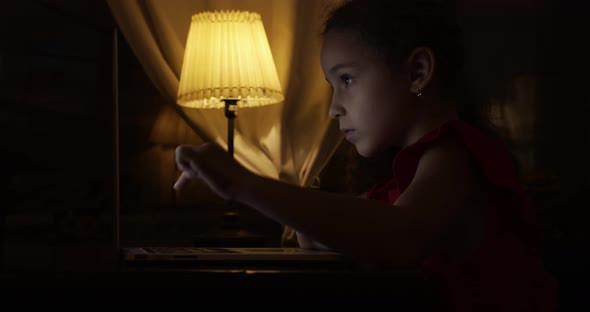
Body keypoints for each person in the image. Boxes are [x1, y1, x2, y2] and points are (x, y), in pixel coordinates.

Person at [173, 0, 556, 310]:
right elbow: (326, 234)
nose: (333, 109)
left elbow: (398, 236)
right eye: (332, 85)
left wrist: (245, 184)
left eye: (347, 80)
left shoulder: (456, 158)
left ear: (417, 72)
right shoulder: (402, 181)